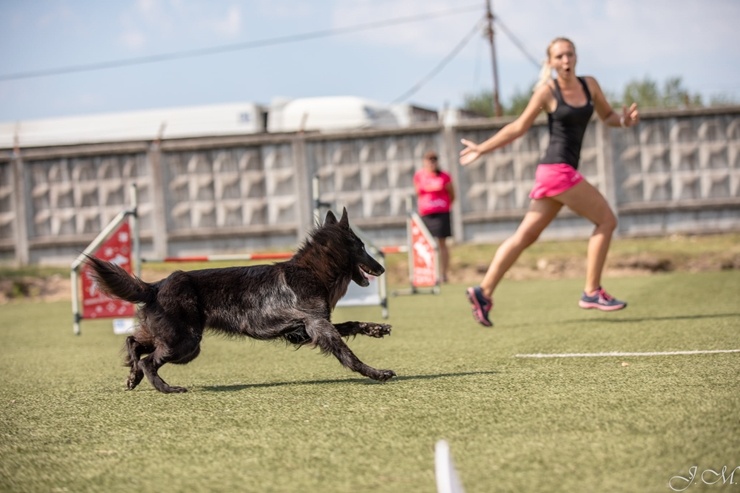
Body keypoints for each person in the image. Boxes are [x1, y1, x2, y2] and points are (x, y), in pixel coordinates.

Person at [460, 36, 640, 327]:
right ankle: (592, 291)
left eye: (570, 54)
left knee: (525, 236)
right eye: (559, 57)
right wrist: (482, 148)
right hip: (558, 171)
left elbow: (607, 116)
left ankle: (484, 291)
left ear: (576, 57)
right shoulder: (547, 91)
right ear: (551, 62)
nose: (566, 61)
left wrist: (624, 121)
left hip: (556, 174)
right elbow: (518, 127)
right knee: (607, 221)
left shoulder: (589, 84)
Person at [414, 150, 455, 283]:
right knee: (428, 245)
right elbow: (418, 193)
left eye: (434, 159)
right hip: (426, 214)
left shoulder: (444, 176)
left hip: (442, 213)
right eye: (429, 160)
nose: (432, 163)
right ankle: (431, 274)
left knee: (442, 244)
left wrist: (445, 205)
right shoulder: (419, 176)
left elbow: (452, 193)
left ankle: (443, 274)